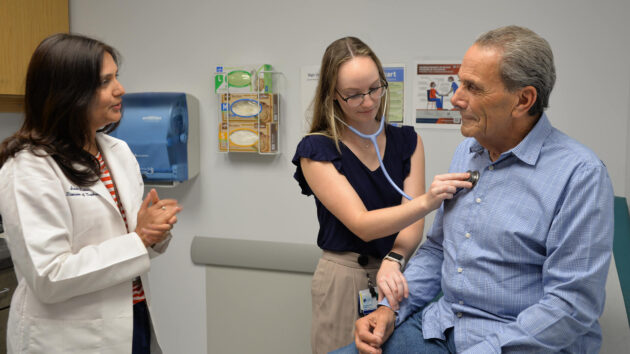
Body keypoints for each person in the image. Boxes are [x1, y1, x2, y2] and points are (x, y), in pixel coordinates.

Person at [334, 25, 614, 354]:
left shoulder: (580, 176)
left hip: (513, 343)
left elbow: (570, 307)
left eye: (472, 87)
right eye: (458, 82)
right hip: (442, 328)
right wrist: (389, 310)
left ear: (523, 100)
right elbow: (438, 250)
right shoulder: (469, 152)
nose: (455, 97)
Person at [0, 33, 182, 353]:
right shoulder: (29, 167)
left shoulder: (117, 151)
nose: (120, 89)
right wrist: (138, 239)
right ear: (68, 93)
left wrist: (152, 234)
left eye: (116, 76)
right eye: (104, 81)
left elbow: (126, 246)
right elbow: (50, 277)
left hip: (131, 318)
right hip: (69, 337)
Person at [292, 36, 471, 354]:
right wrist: (428, 202)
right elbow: (362, 223)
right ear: (333, 95)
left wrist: (395, 259)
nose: (368, 101)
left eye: (374, 88)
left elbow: (412, 226)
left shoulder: (407, 141)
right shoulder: (317, 149)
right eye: (354, 94)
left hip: (396, 278)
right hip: (344, 278)